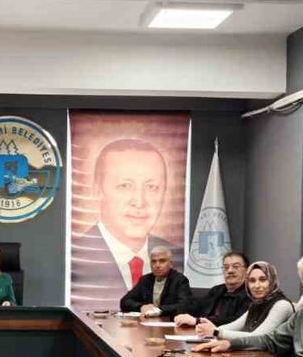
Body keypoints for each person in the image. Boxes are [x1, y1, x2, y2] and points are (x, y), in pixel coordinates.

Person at [72, 139, 182, 307]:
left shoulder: (180, 260)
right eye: (125, 186)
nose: (139, 201)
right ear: (98, 191)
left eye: (152, 187)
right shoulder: (74, 258)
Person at [196, 261, 295, 341]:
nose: (257, 285)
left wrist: (216, 332)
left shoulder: (282, 305)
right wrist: (208, 328)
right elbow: (235, 325)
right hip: (257, 354)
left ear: (272, 281)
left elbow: (258, 337)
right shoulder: (257, 304)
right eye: (252, 281)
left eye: (262, 279)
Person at [174, 252, 251, 328]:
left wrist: (198, 321)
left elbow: (236, 322)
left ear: (247, 270)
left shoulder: (249, 294)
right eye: (226, 267)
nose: (230, 271)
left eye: (236, 266)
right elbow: (197, 307)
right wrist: (182, 310)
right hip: (202, 331)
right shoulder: (217, 290)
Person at [119, 246, 191, 317]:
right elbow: (125, 301)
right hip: (147, 322)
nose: (157, 265)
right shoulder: (145, 280)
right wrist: (141, 307)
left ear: (171, 264)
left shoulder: (180, 280)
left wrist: (159, 310)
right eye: (154, 261)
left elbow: (184, 306)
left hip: (168, 321)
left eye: (162, 261)